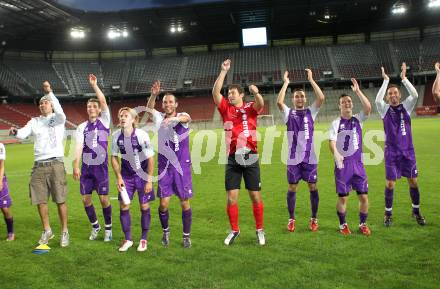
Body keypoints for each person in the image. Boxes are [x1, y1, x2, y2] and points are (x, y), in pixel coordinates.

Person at [9, 81, 69, 247]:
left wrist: (49, 92)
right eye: (41, 103)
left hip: (56, 163)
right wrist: (16, 131)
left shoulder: (58, 119)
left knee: (60, 200)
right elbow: (22, 134)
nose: (43, 105)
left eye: (46, 102)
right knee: (40, 200)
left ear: (51, 104)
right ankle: (47, 230)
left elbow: (62, 113)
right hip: (38, 166)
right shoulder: (34, 121)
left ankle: (65, 231)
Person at [212, 59, 266, 246]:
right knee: (231, 197)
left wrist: (257, 94)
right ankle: (235, 230)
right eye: (229, 93)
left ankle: (259, 230)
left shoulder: (250, 107)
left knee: (255, 195)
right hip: (233, 158)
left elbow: (260, 104)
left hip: (250, 155)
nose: (230, 95)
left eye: (233, 93)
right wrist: (223, 71)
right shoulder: (226, 108)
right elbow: (215, 92)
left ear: (241, 94)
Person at [376, 63, 425, 226]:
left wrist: (404, 78)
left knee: (413, 181)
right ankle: (388, 213)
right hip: (392, 154)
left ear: (399, 94)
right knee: (390, 183)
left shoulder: (406, 107)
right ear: (388, 97)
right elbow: (377, 99)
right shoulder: (384, 109)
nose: (393, 95)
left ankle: (416, 211)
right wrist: (385, 81)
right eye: (390, 94)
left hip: (408, 152)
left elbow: (415, 95)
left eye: (395, 93)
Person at [276, 69, 325, 233]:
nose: (300, 98)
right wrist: (286, 83)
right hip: (293, 158)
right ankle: (291, 219)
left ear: (305, 99)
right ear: (293, 99)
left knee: (312, 187)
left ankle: (314, 218)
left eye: (302, 96)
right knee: (292, 188)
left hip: (310, 157)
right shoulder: (288, 113)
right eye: (297, 96)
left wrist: (311, 80)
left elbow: (321, 98)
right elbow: (278, 102)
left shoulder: (312, 111)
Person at [147, 81, 193, 248]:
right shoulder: (159, 118)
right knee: (163, 204)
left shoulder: (182, 116)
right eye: (165, 102)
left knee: (184, 202)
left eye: (170, 102)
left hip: (181, 167)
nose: (167, 105)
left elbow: (186, 118)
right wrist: (153, 95)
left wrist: (173, 118)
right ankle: (166, 232)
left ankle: (186, 236)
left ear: (176, 104)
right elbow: (150, 109)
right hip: (165, 167)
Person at [328, 78, 372, 236]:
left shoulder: (358, 120)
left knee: (364, 197)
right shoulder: (335, 123)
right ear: (339, 105)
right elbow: (331, 141)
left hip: (358, 165)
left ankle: (362, 224)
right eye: (343, 102)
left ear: (352, 104)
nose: (347, 103)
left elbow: (368, 108)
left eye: (348, 101)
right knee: (343, 198)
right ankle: (343, 225)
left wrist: (358, 91)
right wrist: (337, 154)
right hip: (343, 166)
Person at [73, 74, 112, 242]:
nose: (90, 108)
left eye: (93, 106)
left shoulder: (105, 120)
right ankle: (96, 226)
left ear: (98, 109)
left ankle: (108, 229)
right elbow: (78, 147)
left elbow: (103, 102)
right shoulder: (82, 127)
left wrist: (94, 86)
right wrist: (75, 165)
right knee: (85, 199)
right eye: (88, 106)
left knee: (104, 200)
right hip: (87, 168)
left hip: (101, 168)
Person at [111, 107, 155, 252]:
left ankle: (143, 239)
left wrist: (149, 180)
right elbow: (113, 157)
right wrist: (118, 177)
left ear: (133, 120)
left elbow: (150, 158)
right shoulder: (116, 136)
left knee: (144, 206)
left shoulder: (142, 135)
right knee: (124, 206)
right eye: (121, 115)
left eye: (126, 116)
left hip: (142, 176)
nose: (123, 118)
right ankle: (128, 239)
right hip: (126, 176)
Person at [0, 143, 14, 241]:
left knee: (4, 208)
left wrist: (0, 182)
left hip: (0, 179)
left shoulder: (0, 146)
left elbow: (1, 166)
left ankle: (11, 232)